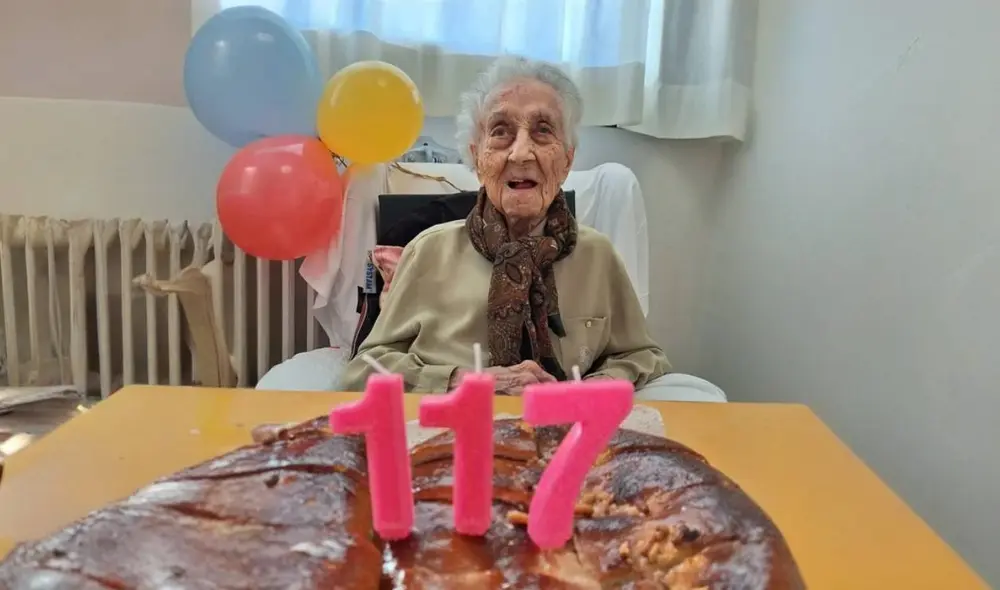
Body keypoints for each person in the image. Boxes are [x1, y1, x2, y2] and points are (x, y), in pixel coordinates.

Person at [342, 56, 669, 395]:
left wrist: (595, 386)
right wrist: (461, 382)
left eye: (543, 131)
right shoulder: (428, 251)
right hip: (452, 432)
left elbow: (643, 355)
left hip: (564, 433)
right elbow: (365, 368)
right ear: (477, 158)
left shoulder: (597, 255)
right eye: (501, 132)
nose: (521, 153)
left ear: (568, 159)